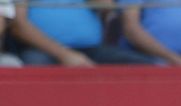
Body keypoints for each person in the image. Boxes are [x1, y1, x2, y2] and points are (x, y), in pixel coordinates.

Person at [7, 0, 158, 64]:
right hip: (42, 50)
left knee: (143, 67)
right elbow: (19, 26)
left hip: (92, 49)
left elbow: (108, 8)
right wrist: (65, 55)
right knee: (37, 70)